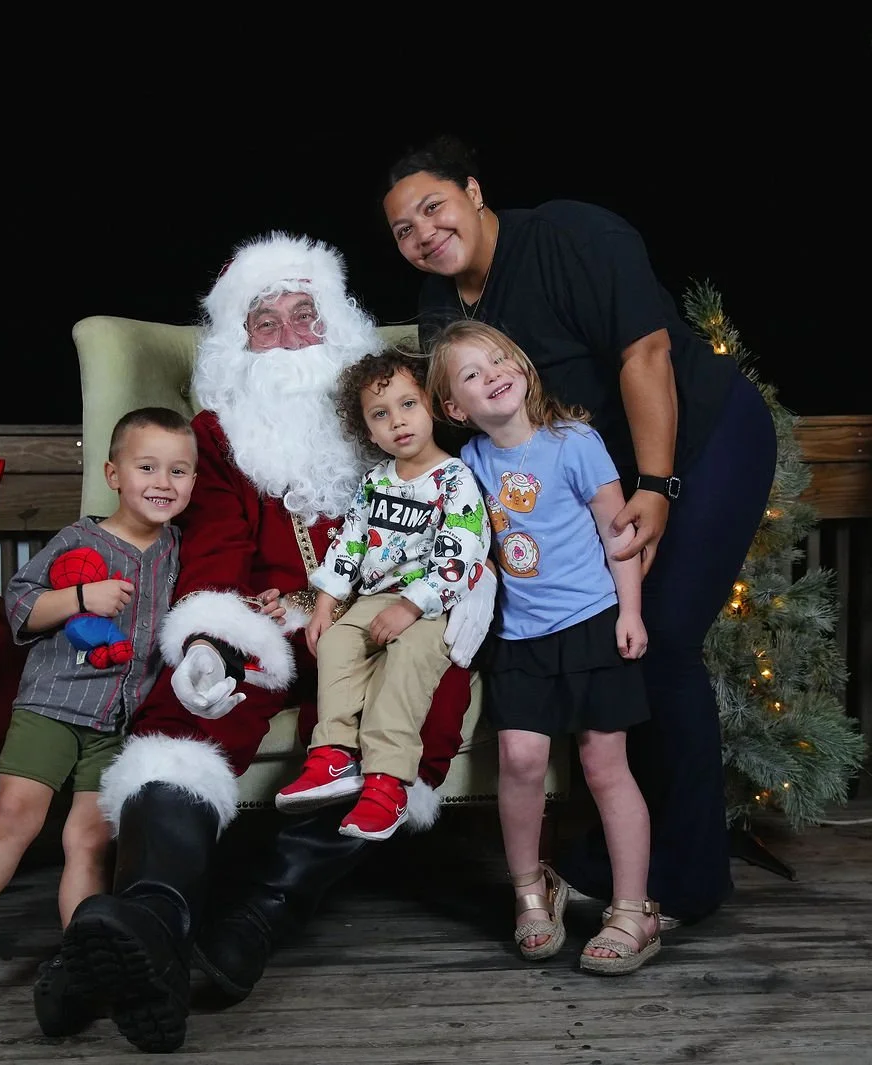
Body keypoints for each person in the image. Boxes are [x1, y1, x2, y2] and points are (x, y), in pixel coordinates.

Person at [56, 232, 497, 1054]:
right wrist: (214, 637)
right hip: (266, 622)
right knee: (189, 707)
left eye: (306, 315)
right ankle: (155, 913)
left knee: (411, 712)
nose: (291, 337)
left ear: (339, 327)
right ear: (236, 344)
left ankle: (255, 922)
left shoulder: (388, 418)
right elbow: (217, 550)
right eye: (267, 321)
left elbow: (446, 534)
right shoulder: (218, 439)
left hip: (384, 620)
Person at [383, 134, 779, 927]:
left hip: (701, 439)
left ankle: (687, 880)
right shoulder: (438, 308)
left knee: (660, 637)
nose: (424, 233)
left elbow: (647, 354)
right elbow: (467, 433)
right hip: (594, 475)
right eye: (403, 229)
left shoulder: (571, 235)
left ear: (473, 189)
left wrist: (659, 487)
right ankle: (612, 852)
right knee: (593, 642)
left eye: (434, 207)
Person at [0, 406, 197, 1040]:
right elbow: (20, 606)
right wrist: (83, 597)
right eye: (147, 467)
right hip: (52, 707)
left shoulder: (178, 552)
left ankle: (80, 962)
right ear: (114, 473)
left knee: (88, 842)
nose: (163, 481)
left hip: (119, 722)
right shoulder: (81, 540)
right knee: (13, 819)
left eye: (180, 470)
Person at [429, 320, 659, 973]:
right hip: (519, 636)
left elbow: (620, 535)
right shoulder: (468, 464)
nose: (492, 375)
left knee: (604, 766)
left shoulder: (574, 442)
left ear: (523, 367)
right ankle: (532, 890)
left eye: (501, 359)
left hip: (592, 623)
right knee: (522, 758)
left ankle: (632, 908)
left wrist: (631, 611)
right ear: (455, 407)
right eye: (471, 375)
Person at [276, 349, 490, 841]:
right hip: (374, 598)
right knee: (335, 643)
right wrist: (326, 602)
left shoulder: (454, 479)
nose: (397, 421)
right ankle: (331, 755)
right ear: (368, 432)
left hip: (431, 603)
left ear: (431, 406)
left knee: (405, 665)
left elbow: (462, 550)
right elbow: (349, 542)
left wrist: (412, 606)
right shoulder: (374, 483)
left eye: (407, 404)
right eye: (380, 414)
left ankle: (387, 782)